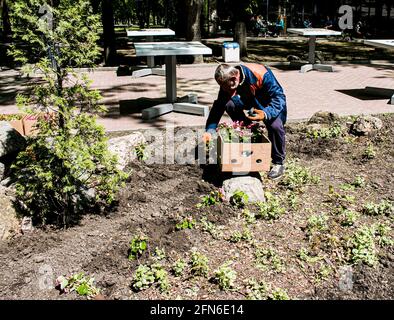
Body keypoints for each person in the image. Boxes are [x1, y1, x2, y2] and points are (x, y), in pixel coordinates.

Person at [203, 63, 287, 180]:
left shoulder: (260, 74)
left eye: (227, 87)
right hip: (250, 100)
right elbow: (218, 108)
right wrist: (209, 131)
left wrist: (266, 113)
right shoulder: (226, 81)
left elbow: (279, 97)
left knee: (275, 126)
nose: (224, 90)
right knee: (229, 103)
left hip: (269, 102)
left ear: (234, 79)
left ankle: (279, 162)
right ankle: (248, 137)